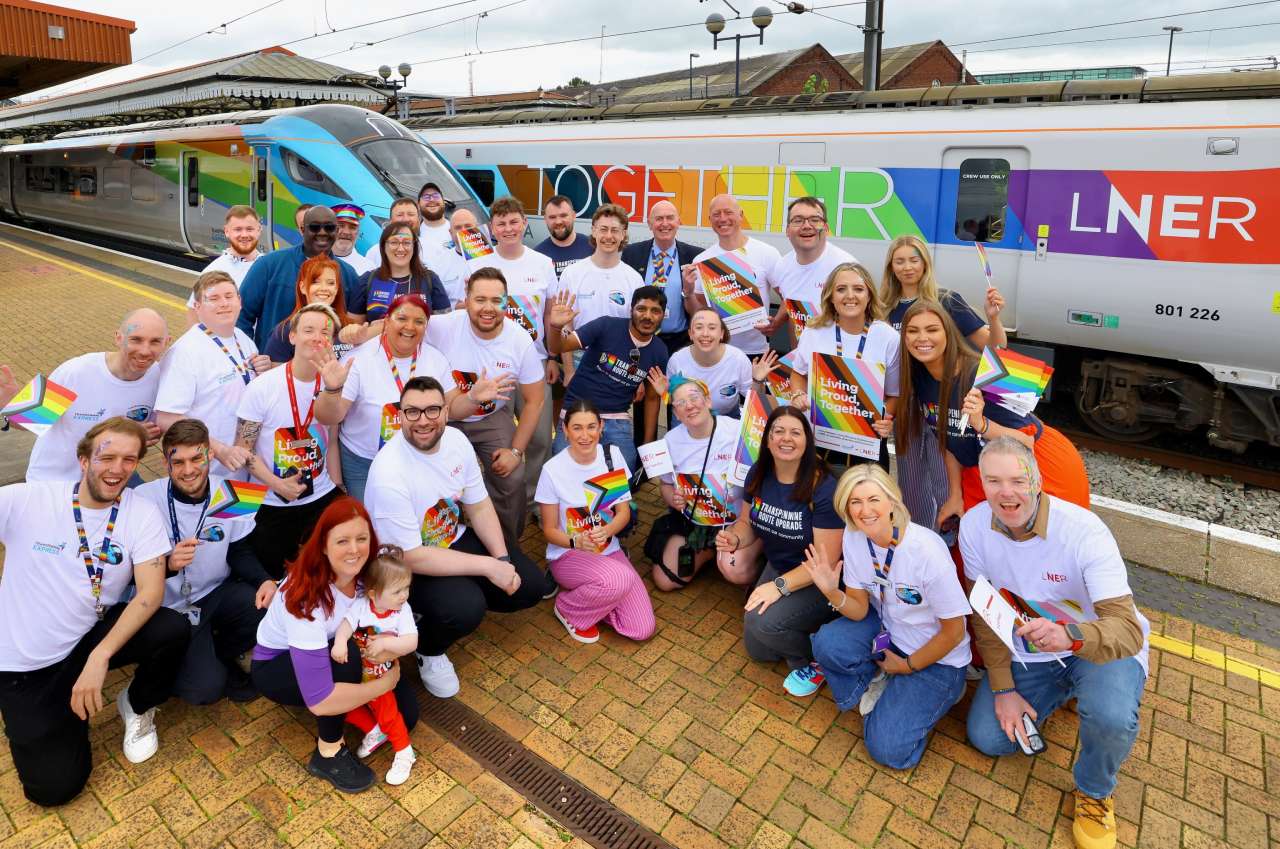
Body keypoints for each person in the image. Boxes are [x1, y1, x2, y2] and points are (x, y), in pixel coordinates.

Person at [962, 438, 1148, 849]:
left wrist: (1070, 635)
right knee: (988, 738)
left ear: (1039, 480)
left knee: (1112, 717)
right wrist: (1004, 688)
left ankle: (1095, 792)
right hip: (1034, 650)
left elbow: (1127, 630)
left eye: (1017, 480)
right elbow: (985, 613)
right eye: (993, 481)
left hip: (1096, 646)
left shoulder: (1084, 532)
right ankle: (1062, 693)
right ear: (983, 483)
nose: (1006, 492)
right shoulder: (973, 526)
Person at [0, 418, 188, 806]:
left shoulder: (139, 512)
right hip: (24, 666)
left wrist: (100, 657)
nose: (117, 469)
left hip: (89, 637)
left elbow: (151, 593)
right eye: (107, 457)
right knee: (54, 790)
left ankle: (134, 705)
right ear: (83, 460)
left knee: (172, 628)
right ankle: (65, 717)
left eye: (129, 460)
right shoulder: (28, 499)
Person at [363, 376, 550, 698]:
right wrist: (487, 568)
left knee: (528, 585)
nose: (423, 421)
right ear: (400, 416)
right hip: (403, 564)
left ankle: (455, 602)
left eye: (433, 410)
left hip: (451, 537)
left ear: (446, 413)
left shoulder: (456, 441)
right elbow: (411, 556)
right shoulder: (388, 473)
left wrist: (502, 560)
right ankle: (429, 648)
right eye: (413, 412)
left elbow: (478, 506)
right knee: (465, 607)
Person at [806, 464, 970, 766]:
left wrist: (907, 666)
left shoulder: (926, 551)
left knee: (888, 751)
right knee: (828, 644)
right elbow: (858, 608)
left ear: (892, 501)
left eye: (873, 500)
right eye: (855, 502)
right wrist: (832, 592)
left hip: (937, 658)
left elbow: (954, 632)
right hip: (888, 634)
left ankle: (921, 693)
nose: (865, 511)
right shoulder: (855, 538)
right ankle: (883, 687)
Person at [251, 497, 417, 794]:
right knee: (347, 659)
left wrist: (390, 647)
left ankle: (357, 703)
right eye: (342, 541)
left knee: (408, 713)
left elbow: (390, 617)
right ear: (323, 545)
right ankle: (328, 752)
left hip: (343, 650)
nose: (354, 549)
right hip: (279, 664)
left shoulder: (371, 574)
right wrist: (381, 685)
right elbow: (321, 701)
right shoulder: (305, 598)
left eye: (361, 539)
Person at [895, 300, 1090, 519]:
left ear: (948, 333)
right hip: (987, 469)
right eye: (913, 331)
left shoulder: (986, 372)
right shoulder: (920, 377)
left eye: (932, 329)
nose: (922, 338)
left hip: (1036, 465)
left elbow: (1026, 442)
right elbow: (950, 442)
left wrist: (981, 424)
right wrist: (955, 495)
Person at [134, 419, 275, 704]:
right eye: (179, 461)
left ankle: (217, 654)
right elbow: (126, 570)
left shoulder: (234, 493)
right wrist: (167, 563)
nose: (188, 470)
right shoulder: (142, 499)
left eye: (197, 458)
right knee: (203, 691)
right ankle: (175, 659)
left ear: (210, 454)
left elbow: (239, 550)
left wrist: (264, 580)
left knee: (263, 606)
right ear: (165, 463)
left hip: (215, 593)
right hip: (168, 607)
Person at [713, 405, 843, 696]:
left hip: (819, 579)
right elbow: (747, 523)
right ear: (768, 439)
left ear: (807, 441)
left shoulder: (822, 488)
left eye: (796, 432)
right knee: (758, 649)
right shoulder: (759, 473)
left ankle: (825, 656)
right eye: (778, 431)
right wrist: (734, 538)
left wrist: (779, 587)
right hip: (780, 565)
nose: (786, 438)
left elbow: (826, 561)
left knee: (763, 625)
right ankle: (801, 633)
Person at [425, 268, 545, 548]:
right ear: (466, 299)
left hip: (490, 417)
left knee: (511, 476)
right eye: (480, 300)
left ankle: (506, 547)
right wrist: (357, 333)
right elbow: (400, 323)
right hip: (445, 417)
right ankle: (442, 543)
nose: (488, 308)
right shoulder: (443, 326)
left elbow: (534, 400)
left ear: (506, 302)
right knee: (434, 476)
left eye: (497, 300)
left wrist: (516, 452)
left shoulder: (519, 341)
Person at [236, 304, 344, 579]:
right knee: (272, 576)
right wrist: (277, 484)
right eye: (308, 330)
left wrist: (336, 484)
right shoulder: (263, 387)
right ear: (292, 336)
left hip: (319, 494)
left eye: (325, 332)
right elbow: (243, 449)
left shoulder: (335, 382)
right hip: (270, 499)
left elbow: (331, 439)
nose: (317, 337)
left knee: (321, 572)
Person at [314, 294, 457, 502]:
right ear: (386, 321)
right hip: (365, 464)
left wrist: (472, 398)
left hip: (419, 460)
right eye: (402, 318)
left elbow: (454, 406)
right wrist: (332, 389)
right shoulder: (359, 360)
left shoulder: (436, 359)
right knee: (372, 526)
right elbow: (330, 417)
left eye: (419, 321)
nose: (410, 327)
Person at [535, 399, 654, 643]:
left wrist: (608, 530)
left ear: (601, 427)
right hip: (568, 555)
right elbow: (548, 530)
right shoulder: (553, 470)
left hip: (608, 551)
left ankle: (601, 596)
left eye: (591, 426)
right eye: (577, 427)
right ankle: (568, 608)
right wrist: (575, 541)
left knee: (642, 628)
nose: (585, 435)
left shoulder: (610, 456)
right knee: (620, 579)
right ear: (565, 430)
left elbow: (623, 513)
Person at [3, 308, 168, 482]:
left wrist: (138, 437)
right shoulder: (74, 372)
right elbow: (26, 421)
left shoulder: (162, 379)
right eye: (136, 339)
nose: (144, 350)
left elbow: (153, 433)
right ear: (118, 338)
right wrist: (9, 405)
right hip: (55, 482)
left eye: (155, 342)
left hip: (110, 481)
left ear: (166, 342)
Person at [468, 197, 558, 503]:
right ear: (492, 228)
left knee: (540, 438)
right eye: (501, 223)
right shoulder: (477, 265)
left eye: (514, 221)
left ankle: (534, 498)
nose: (508, 228)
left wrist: (553, 356)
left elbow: (549, 315)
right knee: (498, 439)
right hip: (491, 368)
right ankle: (498, 497)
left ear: (524, 224)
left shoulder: (543, 263)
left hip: (536, 362)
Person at [645, 376, 759, 591]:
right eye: (680, 403)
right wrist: (675, 500)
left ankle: (756, 556)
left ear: (708, 401)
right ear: (676, 413)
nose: (689, 405)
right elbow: (667, 485)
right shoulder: (670, 440)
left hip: (739, 520)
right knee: (666, 581)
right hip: (697, 524)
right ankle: (709, 551)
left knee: (735, 569)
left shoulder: (738, 431)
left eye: (694, 397)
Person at [156, 271, 270, 479]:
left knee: (247, 512)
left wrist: (264, 373)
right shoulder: (185, 352)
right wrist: (220, 450)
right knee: (218, 513)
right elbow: (166, 417)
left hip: (249, 467)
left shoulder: (243, 339)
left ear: (239, 301)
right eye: (213, 299)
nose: (223, 304)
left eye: (229, 296)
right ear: (198, 307)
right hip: (210, 474)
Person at [787, 263, 899, 472]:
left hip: (866, 443)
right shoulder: (814, 331)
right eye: (841, 289)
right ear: (830, 296)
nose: (850, 296)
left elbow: (895, 395)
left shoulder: (888, 337)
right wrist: (798, 395)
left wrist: (886, 418)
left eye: (858, 289)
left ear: (869, 295)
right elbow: (798, 374)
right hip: (820, 438)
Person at [546, 286, 669, 472]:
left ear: (662, 316)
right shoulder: (606, 326)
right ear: (631, 310)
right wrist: (555, 327)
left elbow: (652, 398)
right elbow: (559, 346)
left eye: (655, 311)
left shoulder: (659, 351)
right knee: (564, 474)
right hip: (577, 413)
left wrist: (648, 445)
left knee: (622, 480)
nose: (647, 316)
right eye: (641, 309)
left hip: (616, 419)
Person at [331, 548, 419, 786]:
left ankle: (404, 751)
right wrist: (340, 642)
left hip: (380, 674)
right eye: (397, 591)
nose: (404, 596)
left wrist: (388, 642)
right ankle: (373, 729)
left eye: (406, 588)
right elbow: (347, 625)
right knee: (341, 706)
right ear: (373, 593)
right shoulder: (361, 606)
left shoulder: (402, 612)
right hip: (356, 672)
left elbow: (411, 641)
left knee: (387, 711)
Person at [238, 206, 362, 349]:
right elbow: (241, 315)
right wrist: (249, 355)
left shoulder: (349, 275)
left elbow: (353, 325)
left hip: (327, 366)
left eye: (329, 228)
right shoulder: (269, 265)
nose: (322, 233)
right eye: (315, 227)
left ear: (336, 231)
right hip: (274, 364)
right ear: (302, 230)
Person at [683, 194, 783, 358]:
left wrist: (777, 322)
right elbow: (698, 312)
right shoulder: (702, 261)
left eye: (728, 212)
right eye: (716, 214)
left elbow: (787, 297)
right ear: (710, 219)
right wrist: (688, 292)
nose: (723, 218)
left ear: (741, 215)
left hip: (756, 351)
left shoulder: (767, 253)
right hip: (717, 350)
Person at [879, 234, 1006, 347]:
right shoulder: (883, 308)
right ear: (891, 267)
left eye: (914, 260)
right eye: (899, 262)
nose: (907, 267)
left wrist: (993, 318)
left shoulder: (947, 300)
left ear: (925, 264)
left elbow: (996, 347)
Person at [772, 197, 857, 345]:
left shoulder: (846, 268)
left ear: (826, 228)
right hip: (800, 361)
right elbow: (791, 305)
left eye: (815, 219)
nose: (806, 226)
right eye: (798, 220)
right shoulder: (782, 266)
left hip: (835, 362)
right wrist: (777, 320)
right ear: (787, 230)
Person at [622, 200, 701, 355]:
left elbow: (699, 309)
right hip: (640, 339)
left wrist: (688, 291)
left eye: (670, 218)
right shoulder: (631, 253)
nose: (665, 223)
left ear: (679, 222)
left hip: (680, 342)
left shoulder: (695, 257)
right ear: (650, 224)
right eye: (659, 219)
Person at [263, 255, 362, 364]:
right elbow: (276, 376)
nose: (324, 288)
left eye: (331, 283)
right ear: (302, 287)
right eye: (315, 282)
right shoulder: (284, 331)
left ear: (337, 288)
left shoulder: (351, 328)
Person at [349, 222, 450, 325]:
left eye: (406, 242)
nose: (401, 248)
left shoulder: (430, 279)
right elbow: (354, 330)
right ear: (384, 246)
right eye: (394, 242)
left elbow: (444, 326)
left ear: (414, 247)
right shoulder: (367, 281)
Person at [663, 308, 754, 417]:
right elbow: (671, 399)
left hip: (728, 415)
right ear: (691, 334)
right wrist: (664, 394)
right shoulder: (677, 361)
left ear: (721, 333)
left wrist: (758, 380)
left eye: (712, 328)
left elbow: (753, 400)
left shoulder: (738, 359)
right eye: (699, 327)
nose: (705, 333)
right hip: (688, 416)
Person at [185, 205, 262, 323]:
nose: (244, 235)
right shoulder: (213, 271)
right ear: (226, 231)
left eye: (249, 229)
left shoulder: (271, 266)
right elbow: (194, 312)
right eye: (238, 229)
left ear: (259, 230)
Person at [534, 194, 593, 279]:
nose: (558, 222)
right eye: (552, 217)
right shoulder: (538, 256)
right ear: (545, 219)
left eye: (563, 215)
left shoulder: (592, 247)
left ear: (573, 215)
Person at [331, 203, 378, 277]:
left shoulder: (368, 268)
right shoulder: (313, 261)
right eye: (341, 226)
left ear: (358, 233)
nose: (346, 232)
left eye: (352, 227)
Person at [417, 181, 453, 250]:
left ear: (443, 202)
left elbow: (477, 259)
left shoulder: (461, 228)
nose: (432, 199)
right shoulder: (413, 235)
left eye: (436, 196)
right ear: (418, 205)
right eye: (426, 197)